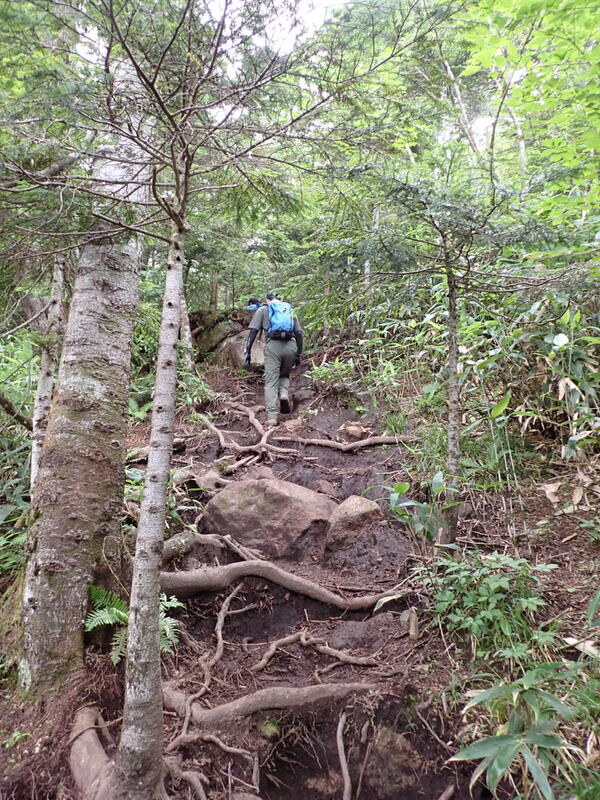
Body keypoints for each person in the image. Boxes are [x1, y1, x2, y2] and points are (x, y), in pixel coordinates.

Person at [244, 292, 303, 427]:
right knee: (284, 375)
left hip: (273, 346)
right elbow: (298, 333)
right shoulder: (288, 309)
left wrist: (247, 351)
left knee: (271, 381)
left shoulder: (263, 309)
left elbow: (253, 331)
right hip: (291, 346)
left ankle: (271, 417)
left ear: (266, 300)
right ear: (281, 299)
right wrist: (299, 354)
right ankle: (283, 394)